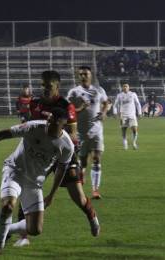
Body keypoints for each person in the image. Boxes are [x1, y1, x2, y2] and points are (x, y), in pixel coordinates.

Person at [0, 107, 74, 256]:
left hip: (34, 183)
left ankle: (8, 229)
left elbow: (61, 170)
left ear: (62, 124)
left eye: (52, 123)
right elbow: (4, 133)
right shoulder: (33, 127)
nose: (48, 124)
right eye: (48, 120)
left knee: (35, 229)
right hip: (14, 171)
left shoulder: (66, 146)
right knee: (7, 206)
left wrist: (52, 195)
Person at [13, 71, 101, 247]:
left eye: (49, 86)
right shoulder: (34, 104)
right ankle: (24, 236)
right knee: (27, 191)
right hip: (40, 157)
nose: (45, 89)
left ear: (57, 86)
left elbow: (73, 134)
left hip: (62, 154)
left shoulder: (65, 106)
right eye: (43, 85)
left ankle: (91, 216)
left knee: (78, 197)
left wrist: (54, 135)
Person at [68, 66, 109, 200]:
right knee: (83, 162)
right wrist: (80, 108)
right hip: (81, 132)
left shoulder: (99, 90)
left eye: (86, 74)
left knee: (96, 158)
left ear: (91, 75)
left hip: (96, 130)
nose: (83, 76)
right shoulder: (74, 92)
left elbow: (107, 103)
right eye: (81, 74)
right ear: (78, 76)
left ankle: (95, 190)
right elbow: (68, 111)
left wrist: (103, 112)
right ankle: (82, 173)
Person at [113, 83, 142, 150]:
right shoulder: (119, 95)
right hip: (123, 115)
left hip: (132, 115)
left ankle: (134, 143)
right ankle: (125, 144)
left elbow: (137, 104)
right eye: (124, 86)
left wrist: (139, 113)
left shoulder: (133, 94)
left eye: (126, 86)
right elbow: (115, 105)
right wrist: (115, 113)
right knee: (124, 131)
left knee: (135, 130)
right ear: (122, 88)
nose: (125, 87)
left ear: (129, 88)